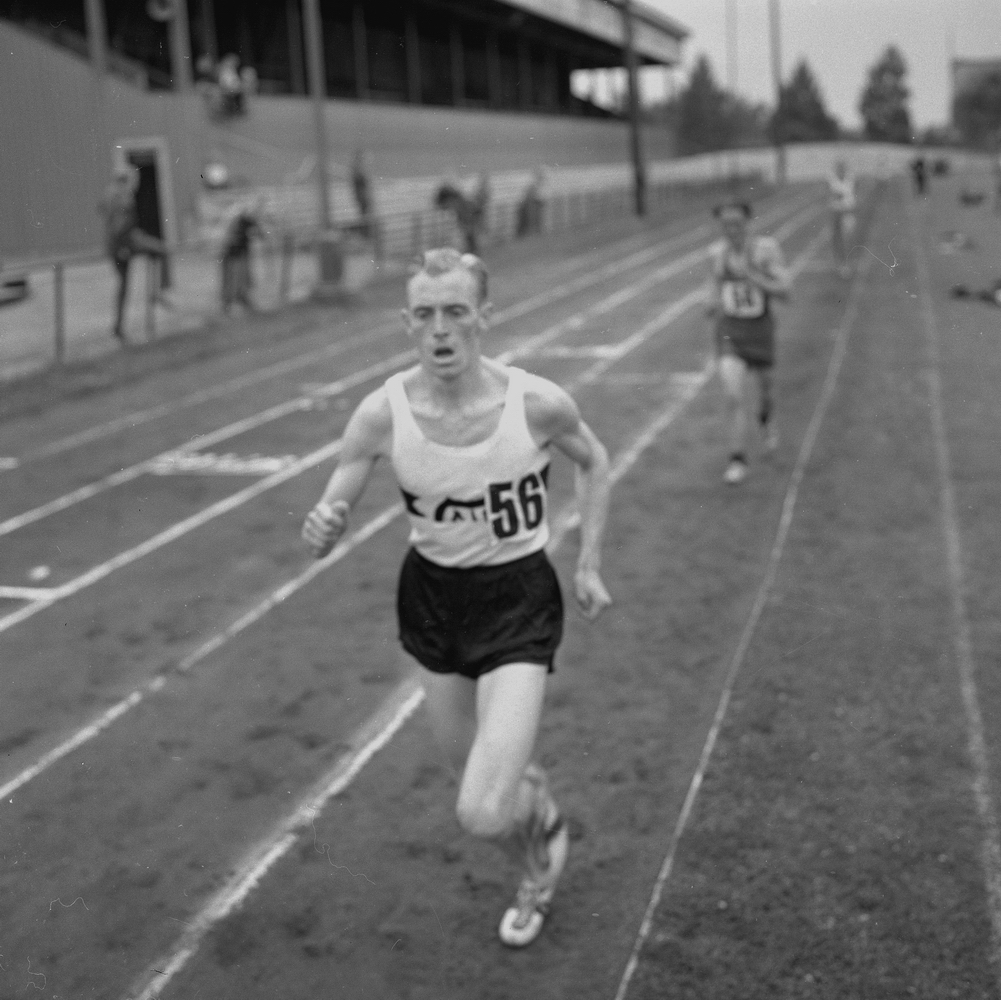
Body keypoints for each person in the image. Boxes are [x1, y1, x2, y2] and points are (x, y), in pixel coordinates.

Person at [302, 247, 612, 947]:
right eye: (424, 314)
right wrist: (322, 526)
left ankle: (539, 853)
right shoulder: (381, 415)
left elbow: (594, 460)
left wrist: (588, 564)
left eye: (455, 312)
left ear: (483, 318)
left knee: (480, 810)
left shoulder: (535, 403)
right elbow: (331, 506)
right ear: (406, 323)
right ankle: (534, 814)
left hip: (517, 601)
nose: (439, 329)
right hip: (433, 600)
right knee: (476, 775)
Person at [705, 202, 791, 485]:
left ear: (748, 223)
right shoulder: (716, 254)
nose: (732, 230)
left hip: (760, 333)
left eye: (737, 223)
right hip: (731, 333)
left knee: (766, 392)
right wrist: (711, 303)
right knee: (733, 396)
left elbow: (786, 290)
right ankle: (737, 459)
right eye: (726, 224)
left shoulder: (766, 250)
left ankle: (766, 418)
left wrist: (756, 278)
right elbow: (714, 288)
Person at [97, 164, 170, 344]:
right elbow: (119, 225)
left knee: (123, 285)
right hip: (122, 242)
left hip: (114, 242)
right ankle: (159, 291)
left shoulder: (108, 192)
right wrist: (123, 245)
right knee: (161, 249)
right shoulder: (123, 195)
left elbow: (102, 213)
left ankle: (119, 325)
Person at [220, 199, 263, 313]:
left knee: (243, 278)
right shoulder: (237, 219)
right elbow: (230, 238)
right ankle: (227, 304)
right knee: (231, 278)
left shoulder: (247, 220)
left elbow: (260, 233)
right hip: (232, 253)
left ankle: (242, 298)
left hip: (241, 253)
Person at [827, 159, 856, 278]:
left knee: (846, 240)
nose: (841, 170)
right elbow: (831, 196)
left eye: (843, 168)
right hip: (836, 212)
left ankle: (845, 265)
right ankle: (838, 264)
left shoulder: (850, 178)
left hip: (847, 212)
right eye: (839, 168)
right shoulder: (831, 180)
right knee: (836, 239)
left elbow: (852, 196)